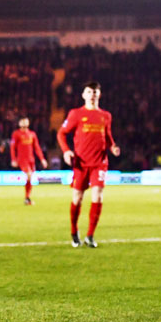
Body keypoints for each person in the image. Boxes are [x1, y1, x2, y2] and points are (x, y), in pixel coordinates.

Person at [57, 81, 120, 248]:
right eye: (89, 92)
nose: (92, 95)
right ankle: (74, 230)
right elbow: (61, 133)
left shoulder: (105, 116)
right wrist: (66, 151)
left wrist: (112, 146)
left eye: (95, 92)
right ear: (83, 95)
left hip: (100, 162)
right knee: (77, 198)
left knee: (98, 195)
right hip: (81, 163)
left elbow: (107, 136)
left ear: (99, 95)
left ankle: (90, 235)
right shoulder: (76, 114)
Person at [10, 117, 48, 205]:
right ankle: (27, 198)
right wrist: (13, 159)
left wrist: (42, 159)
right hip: (22, 160)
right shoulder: (16, 134)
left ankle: (27, 197)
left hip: (31, 160)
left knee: (30, 178)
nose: (24, 123)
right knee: (29, 175)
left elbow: (37, 147)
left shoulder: (32, 134)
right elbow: (12, 148)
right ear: (20, 123)